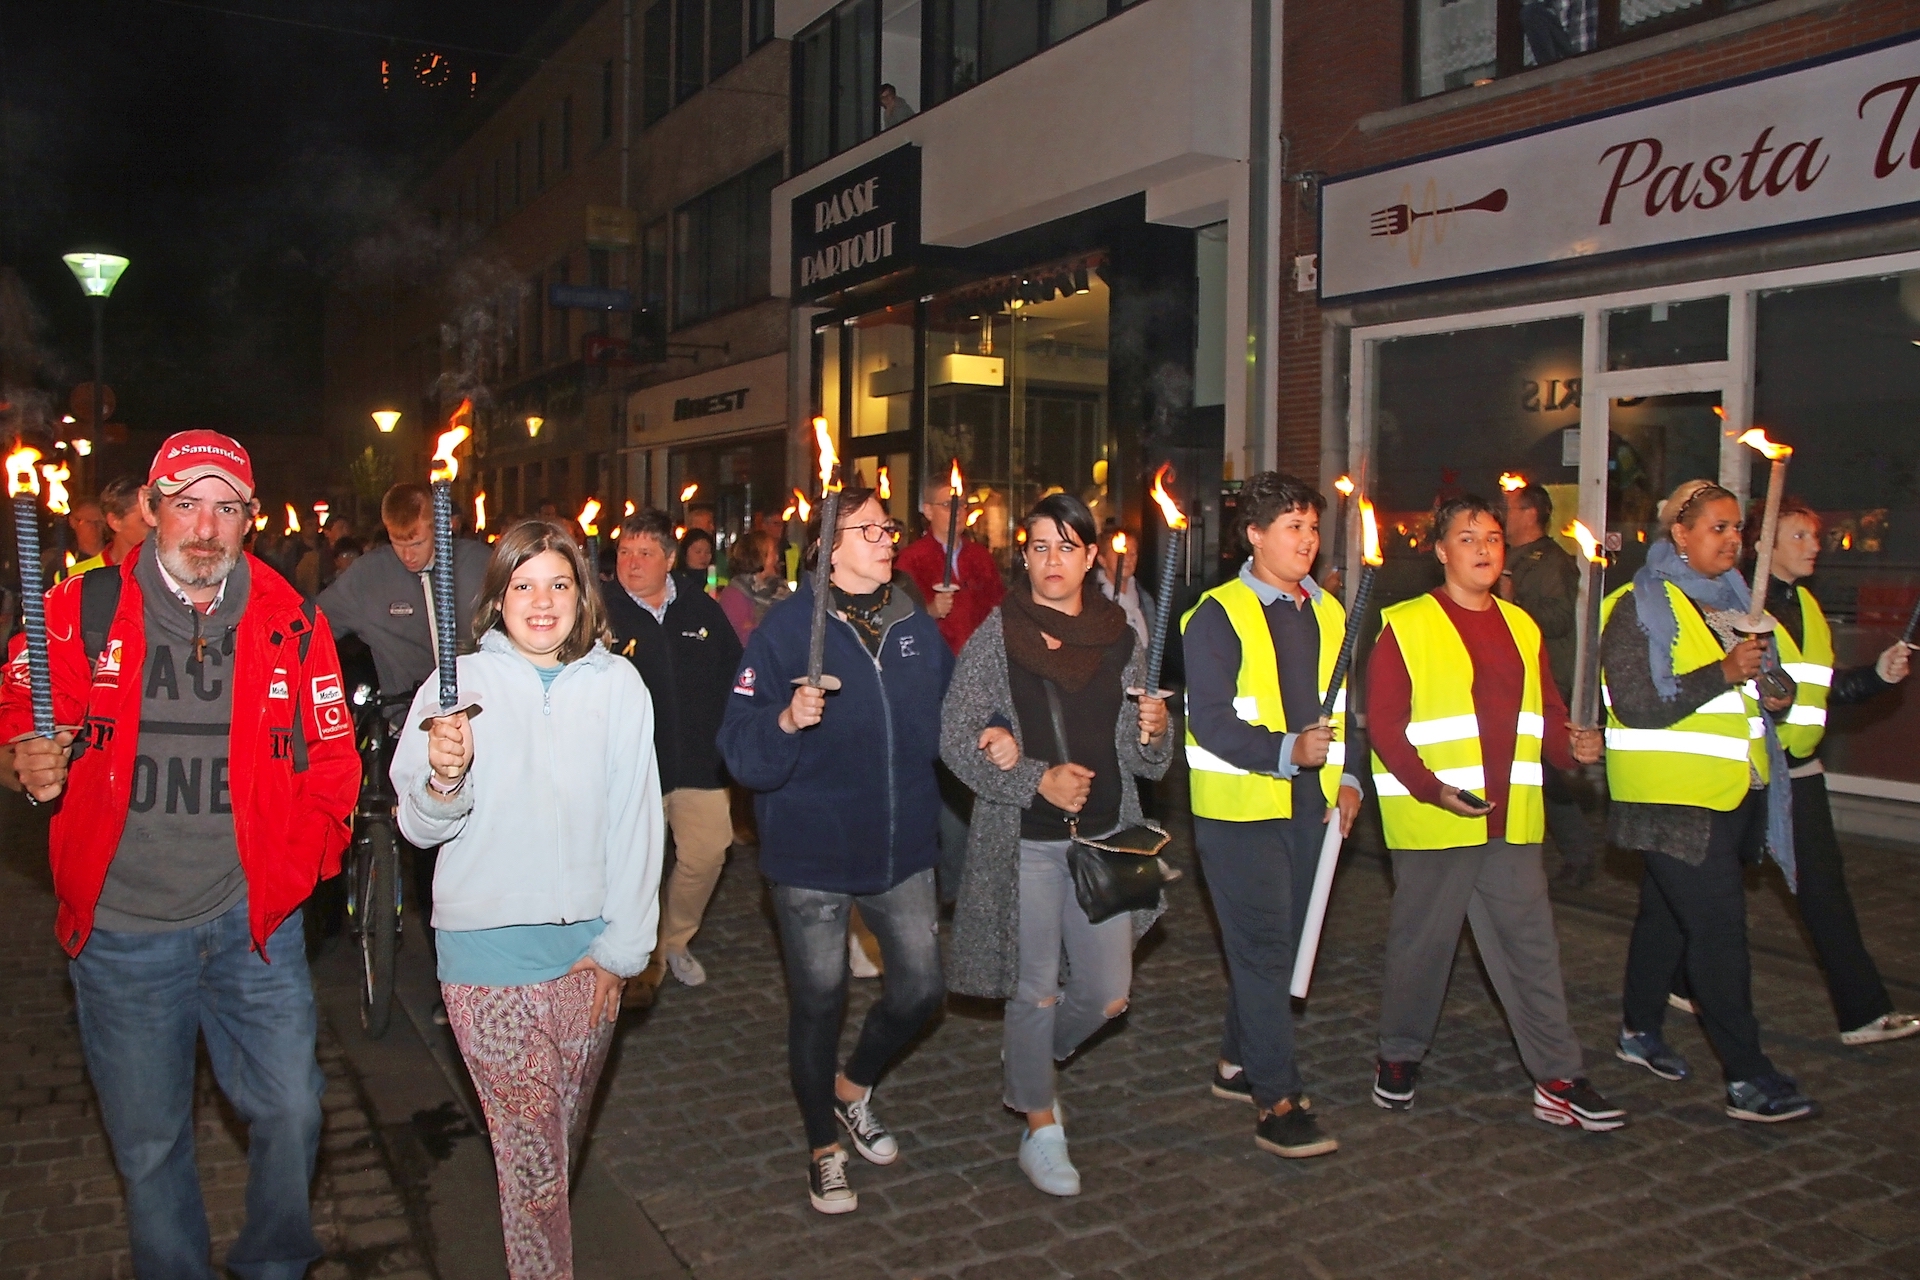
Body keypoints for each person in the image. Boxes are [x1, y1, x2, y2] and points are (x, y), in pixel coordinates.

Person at [0, 430, 360, 1277]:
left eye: (225, 508)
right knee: (151, 1145)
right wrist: (24, 759)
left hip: (250, 926)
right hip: (123, 932)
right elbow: (21, 716)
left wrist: (292, 866)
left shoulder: (292, 621)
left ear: (249, 521)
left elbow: (334, 762)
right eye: (187, 503)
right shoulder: (81, 610)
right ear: (152, 511)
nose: (206, 527)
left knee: (293, 1109)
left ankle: (273, 1262)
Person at [391, 518, 663, 1275]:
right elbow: (417, 824)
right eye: (523, 586)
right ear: (497, 597)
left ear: (583, 596)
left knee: (552, 1144)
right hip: (486, 966)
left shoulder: (618, 686)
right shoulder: (457, 686)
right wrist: (445, 776)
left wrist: (622, 952)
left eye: (559, 585)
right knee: (537, 1162)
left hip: (587, 959)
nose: (541, 603)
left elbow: (638, 820)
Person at [718, 486, 952, 1215]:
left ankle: (853, 1088)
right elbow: (739, 750)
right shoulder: (786, 630)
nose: (888, 539)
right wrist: (787, 718)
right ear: (825, 547)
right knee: (820, 998)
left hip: (901, 842)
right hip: (812, 851)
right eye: (870, 529)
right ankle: (822, 1141)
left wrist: (998, 726)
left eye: (888, 527)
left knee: (921, 990)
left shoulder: (911, 619)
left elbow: (958, 708)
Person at [1368, 494, 1624, 1132]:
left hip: (1510, 820)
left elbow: (1549, 718)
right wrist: (1433, 790)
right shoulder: (1406, 625)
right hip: (1437, 821)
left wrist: (1575, 747)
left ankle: (1558, 1075)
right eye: (1467, 537)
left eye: (1491, 537)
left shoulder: (1523, 626)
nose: (1483, 548)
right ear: (1440, 551)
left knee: (1531, 949)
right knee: (1421, 951)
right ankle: (1398, 1056)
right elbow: (1387, 729)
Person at [940, 494, 1170, 1196]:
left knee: (1107, 996)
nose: (1051, 561)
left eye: (1067, 547)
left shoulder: (1120, 640)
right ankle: (1041, 1124)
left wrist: (1155, 730)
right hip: (1028, 845)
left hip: (1104, 844)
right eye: (1039, 546)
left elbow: (1143, 760)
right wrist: (1036, 780)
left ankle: (1027, 1065)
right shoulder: (996, 636)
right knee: (1034, 991)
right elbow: (955, 738)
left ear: (1091, 557)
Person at [1600, 478, 1815, 1122]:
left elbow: (1768, 687)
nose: (1732, 540)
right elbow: (1637, 702)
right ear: (1681, 537)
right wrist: (1723, 672)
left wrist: (1775, 691)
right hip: (1669, 801)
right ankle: (1748, 1078)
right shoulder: (1640, 604)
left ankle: (1639, 1032)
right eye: (1716, 528)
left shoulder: (1739, 604)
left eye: (1737, 529)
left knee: (1667, 921)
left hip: (1729, 796)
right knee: (1720, 937)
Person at [1181, 472, 1361, 1159]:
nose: (1308, 540)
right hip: (1239, 813)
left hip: (1309, 809)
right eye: (1293, 527)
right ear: (1253, 536)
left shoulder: (1328, 610)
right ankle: (1276, 1098)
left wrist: (1347, 777)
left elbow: (1345, 704)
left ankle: (1236, 1061)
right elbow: (1212, 725)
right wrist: (1289, 749)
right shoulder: (1216, 615)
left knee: (1279, 947)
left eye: (1313, 527)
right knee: (1261, 952)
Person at [1746, 497, 1917, 1044]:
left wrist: (1877, 676)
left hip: (1799, 772)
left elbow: (1826, 688)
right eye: (1798, 536)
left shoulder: (1807, 607)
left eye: (1813, 536)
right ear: (1763, 544)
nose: (1813, 545)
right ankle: (1667, 989)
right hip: (1748, 774)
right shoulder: (1739, 607)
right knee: (1701, 890)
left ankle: (1863, 1013)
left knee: (1823, 891)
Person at [603, 509, 742, 1000]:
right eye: (624, 552)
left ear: (668, 558)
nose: (632, 563)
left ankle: (673, 941)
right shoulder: (601, 613)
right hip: (634, 771)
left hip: (701, 764)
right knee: (635, 867)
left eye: (644, 553)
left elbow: (735, 673)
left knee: (707, 854)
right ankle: (636, 955)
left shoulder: (702, 610)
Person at [1501, 483, 1603, 888]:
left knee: (1545, 766)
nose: (1503, 516)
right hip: (1510, 676)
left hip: (1543, 679)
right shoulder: (1510, 556)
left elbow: (1559, 620)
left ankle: (1578, 853)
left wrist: (1513, 604)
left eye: (1509, 509)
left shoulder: (1551, 561)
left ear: (1529, 514)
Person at [895, 478, 1005, 655]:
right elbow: (897, 617)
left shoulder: (980, 557)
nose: (958, 512)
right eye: (948, 505)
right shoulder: (911, 560)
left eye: (962, 504)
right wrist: (929, 611)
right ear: (929, 511)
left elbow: (998, 607)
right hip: (934, 660)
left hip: (980, 660)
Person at [62, 475, 148, 578]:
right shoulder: (75, 577)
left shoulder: (165, 573)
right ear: (115, 522)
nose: (155, 527)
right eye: (144, 520)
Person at [718, 528, 790, 644]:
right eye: (773, 553)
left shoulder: (781, 589)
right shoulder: (735, 594)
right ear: (758, 556)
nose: (777, 558)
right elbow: (741, 638)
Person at [1093, 527, 1153, 652]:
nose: (1128, 559)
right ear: (1102, 560)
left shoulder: (1146, 601)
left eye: (1133, 554)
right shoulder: (1092, 600)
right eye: (1120, 553)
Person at [676, 527, 716, 597]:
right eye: (698, 552)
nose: (703, 556)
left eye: (708, 552)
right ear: (685, 553)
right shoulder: (675, 583)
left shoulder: (718, 582)